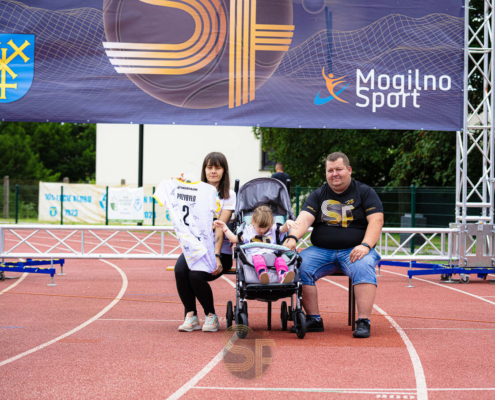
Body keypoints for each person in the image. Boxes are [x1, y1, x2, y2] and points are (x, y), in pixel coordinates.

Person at [283, 152, 383, 338]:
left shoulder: (365, 192)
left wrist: (366, 245)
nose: (334, 174)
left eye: (339, 169)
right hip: (321, 251)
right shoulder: (318, 194)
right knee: (298, 264)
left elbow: (376, 220)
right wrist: (292, 237)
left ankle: (363, 321)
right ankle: (313, 319)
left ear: (349, 170)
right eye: (330, 170)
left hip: (355, 250)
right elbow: (304, 219)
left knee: (363, 265)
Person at [173, 152, 236, 333]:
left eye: (217, 167)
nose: (213, 171)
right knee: (180, 270)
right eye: (209, 167)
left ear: (224, 171)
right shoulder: (194, 191)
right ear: (204, 170)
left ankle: (211, 315)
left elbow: (219, 227)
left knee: (195, 275)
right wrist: (180, 186)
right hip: (196, 249)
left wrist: (216, 255)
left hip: (220, 253)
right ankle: (191, 315)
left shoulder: (229, 195)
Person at [215, 205, 298, 284]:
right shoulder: (247, 230)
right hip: (255, 255)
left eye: (265, 227)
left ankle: (282, 275)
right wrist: (224, 227)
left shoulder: (273, 229)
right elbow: (234, 239)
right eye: (260, 227)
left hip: (272, 256)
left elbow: (283, 229)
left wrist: (287, 223)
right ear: (253, 221)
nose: (262, 230)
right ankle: (263, 274)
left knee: (280, 260)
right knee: (258, 259)